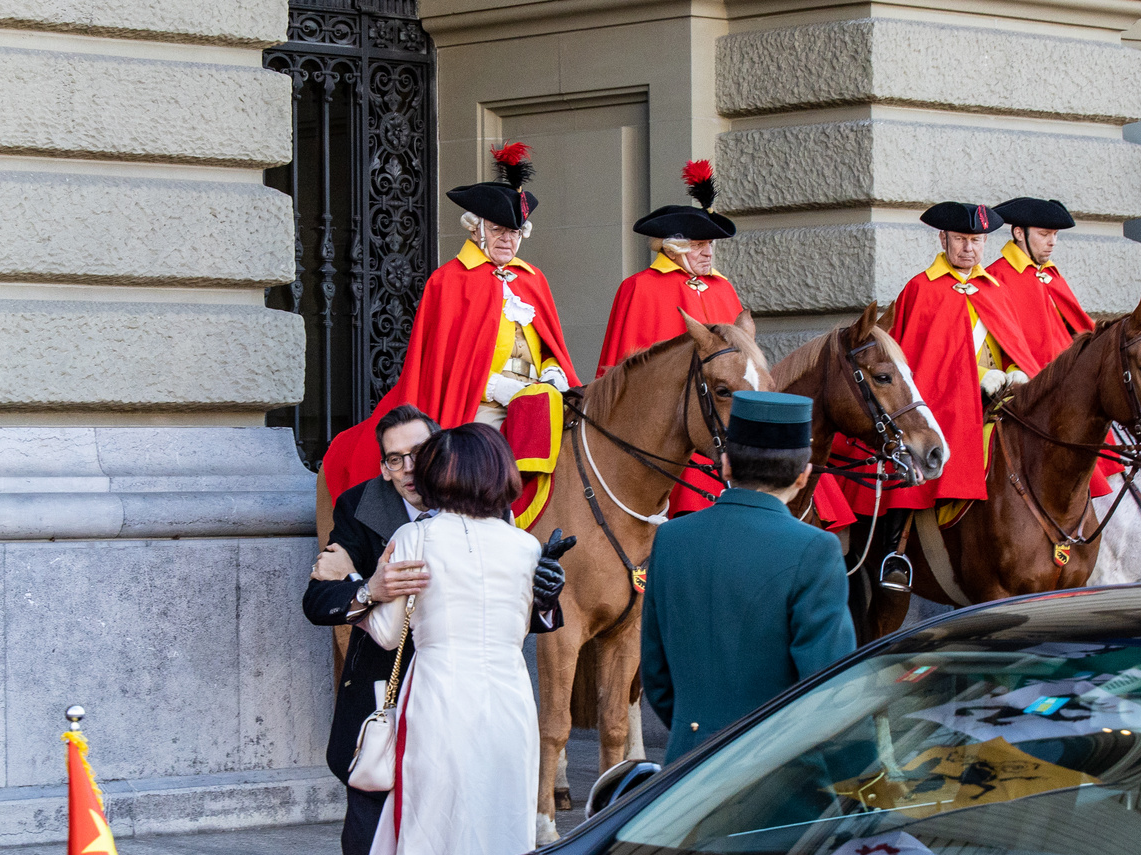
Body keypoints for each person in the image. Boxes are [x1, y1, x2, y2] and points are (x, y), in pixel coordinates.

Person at [306, 405, 570, 855]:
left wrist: (546, 594)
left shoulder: (431, 535)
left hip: (435, 697)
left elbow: (392, 628)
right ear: (382, 466)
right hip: (433, 701)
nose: (407, 468)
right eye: (393, 459)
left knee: (433, 832)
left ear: (441, 455)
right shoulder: (363, 505)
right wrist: (366, 590)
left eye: (418, 454)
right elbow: (317, 600)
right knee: (392, 840)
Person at [319, 142, 579, 509]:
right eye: (499, 230)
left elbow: (549, 346)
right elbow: (447, 363)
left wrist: (554, 374)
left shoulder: (533, 278)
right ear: (476, 229)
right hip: (482, 399)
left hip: (539, 395)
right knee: (484, 458)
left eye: (516, 232)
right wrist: (496, 387)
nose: (509, 239)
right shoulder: (449, 280)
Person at [641, 391, 856, 763]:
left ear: (725, 465)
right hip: (775, 780)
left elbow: (658, 679)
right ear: (804, 476)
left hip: (684, 774)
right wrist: (864, 791)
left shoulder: (671, 538)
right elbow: (829, 690)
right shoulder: (815, 549)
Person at [841, 201, 1037, 587]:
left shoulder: (995, 290)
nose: (969, 248)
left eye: (977, 240)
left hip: (1000, 404)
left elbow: (1013, 347)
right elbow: (915, 361)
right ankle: (895, 554)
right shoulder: (922, 288)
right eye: (962, 239)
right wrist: (977, 376)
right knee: (910, 467)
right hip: (940, 403)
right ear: (943, 238)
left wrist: (1015, 373)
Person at [594, 159, 744, 517]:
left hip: (726, 413)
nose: (709, 252)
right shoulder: (640, 288)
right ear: (674, 248)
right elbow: (625, 365)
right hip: (666, 422)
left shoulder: (723, 288)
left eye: (710, 245)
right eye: (699, 244)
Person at [985, 197, 1094, 365]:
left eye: (1055, 234)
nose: (1053, 242)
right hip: (1027, 380)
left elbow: (1077, 327)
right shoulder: (995, 276)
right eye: (1044, 234)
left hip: (1068, 374)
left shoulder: (1050, 273)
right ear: (1019, 233)